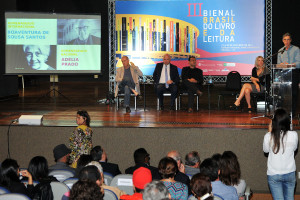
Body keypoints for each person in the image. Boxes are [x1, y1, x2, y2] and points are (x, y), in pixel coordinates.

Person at [263, 108, 298, 200]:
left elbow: (266, 150)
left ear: (274, 122)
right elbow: (294, 148)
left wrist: (269, 132)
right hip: (290, 172)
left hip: (274, 174)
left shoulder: (268, 136)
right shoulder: (294, 135)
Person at [277, 33, 300, 116]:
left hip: (293, 73)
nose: (286, 41)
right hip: (283, 73)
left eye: (288, 39)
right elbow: (278, 64)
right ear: (282, 41)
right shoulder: (280, 50)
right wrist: (282, 64)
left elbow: (299, 63)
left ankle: (293, 113)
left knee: (293, 93)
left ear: (290, 40)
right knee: (282, 93)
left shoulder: (296, 49)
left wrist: (289, 64)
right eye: (285, 39)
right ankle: (281, 112)